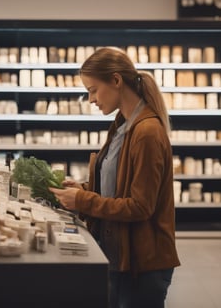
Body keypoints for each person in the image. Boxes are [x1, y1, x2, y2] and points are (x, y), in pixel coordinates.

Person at [50, 47, 180, 308]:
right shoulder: (122, 126)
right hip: (121, 255)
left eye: (93, 89)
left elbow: (140, 206)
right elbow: (118, 189)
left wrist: (84, 201)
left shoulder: (147, 132)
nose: (90, 99)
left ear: (117, 81)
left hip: (142, 265)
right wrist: (84, 189)